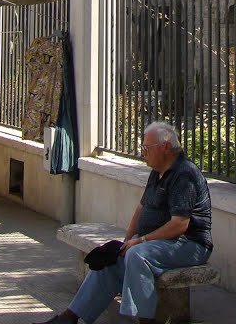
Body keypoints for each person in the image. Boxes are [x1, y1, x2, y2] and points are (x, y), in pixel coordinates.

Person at [37, 121, 212, 324]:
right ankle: (70, 317)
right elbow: (142, 207)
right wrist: (126, 241)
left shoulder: (184, 173)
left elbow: (180, 224)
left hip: (189, 244)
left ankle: (145, 320)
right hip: (158, 243)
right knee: (111, 259)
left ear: (165, 147)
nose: (142, 152)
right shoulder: (158, 171)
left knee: (138, 255)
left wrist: (140, 241)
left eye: (147, 148)